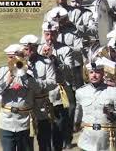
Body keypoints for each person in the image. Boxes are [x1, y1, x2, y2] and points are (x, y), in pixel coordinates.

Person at [0, 44, 39, 151]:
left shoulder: (30, 71)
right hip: (7, 121)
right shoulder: (2, 71)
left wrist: (25, 76)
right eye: (9, 57)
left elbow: (37, 89)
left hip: (24, 121)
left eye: (14, 57)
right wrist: (7, 82)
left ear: (21, 56)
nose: (11, 61)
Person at [74, 58, 116, 151]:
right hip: (87, 139)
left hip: (107, 140)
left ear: (103, 73)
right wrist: (75, 124)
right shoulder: (80, 92)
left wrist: (112, 114)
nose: (94, 75)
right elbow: (78, 112)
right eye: (91, 72)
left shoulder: (114, 91)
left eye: (97, 72)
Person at [39, 21, 75, 150]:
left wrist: (54, 59)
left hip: (59, 94)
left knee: (59, 125)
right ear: (44, 34)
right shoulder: (38, 49)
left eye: (53, 34)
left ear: (57, 33)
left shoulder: (66, 50)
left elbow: (69, 70)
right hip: (43, 93)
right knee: (44, 128)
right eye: (47, 34)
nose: (50, 38)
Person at [19, 35, 57, 151]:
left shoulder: (46, 62)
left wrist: (35, 83)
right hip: (25, 109)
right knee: (25, 144)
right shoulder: (18, 64)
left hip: (41, 107)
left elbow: (52, 83)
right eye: (26, 49)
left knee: (44, 142)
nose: (29, 52)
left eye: (32, 49)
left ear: (36, 48)